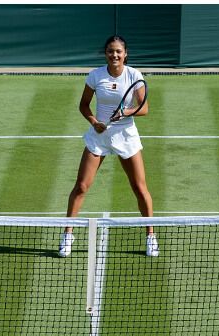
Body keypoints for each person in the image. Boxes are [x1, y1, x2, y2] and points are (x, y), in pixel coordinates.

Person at [59, 35, 157, 258]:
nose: (114, 55)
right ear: (106, 54)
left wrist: (126, 112)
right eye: (111, 51)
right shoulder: (96, 75)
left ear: (125, 54)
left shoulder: (134, 75)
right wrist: (94, 122)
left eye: (118, 52)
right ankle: (67, 235)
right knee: (81, 186)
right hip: (99, 136)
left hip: (126, 135)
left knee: (140, 188)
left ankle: (151, 236)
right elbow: (84, 105)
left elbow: (144, 108)